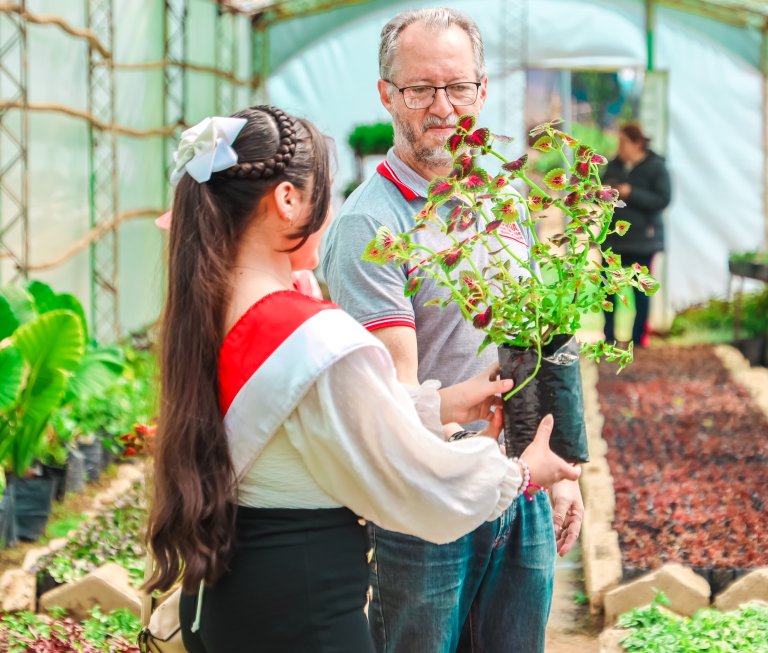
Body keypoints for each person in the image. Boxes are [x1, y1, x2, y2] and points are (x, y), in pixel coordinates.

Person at [145, 105, 579, 653]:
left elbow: (311, 425)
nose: (331, 215)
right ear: (287, 201)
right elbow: (411, 480)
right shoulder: (309, 335)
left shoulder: (210, 314)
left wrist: (436, 406)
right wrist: (520, 472)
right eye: (325, 194)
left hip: (227, 596)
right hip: (304, 611)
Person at [320, 8, 586, 652]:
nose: (442, 106)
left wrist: (559, 469)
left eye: (457, 86)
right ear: (387, 95)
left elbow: (535, 338)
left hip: (516, 486)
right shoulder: (371, 226)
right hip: (426, 503)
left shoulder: (503, 196)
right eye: (420, 89)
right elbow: (397, 400)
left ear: (482, 90)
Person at [602, 122, 672, 347]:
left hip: (643, 241)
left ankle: (639, 337)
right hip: (614, 241)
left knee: (640, 291)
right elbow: (600, 190)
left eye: (623, 142)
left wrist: (632, 193)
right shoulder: (614, 166)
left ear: (637, 143)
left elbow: (663, 199)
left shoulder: (656, 167)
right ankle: (609, 336)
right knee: (607, 288)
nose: (619, 147)